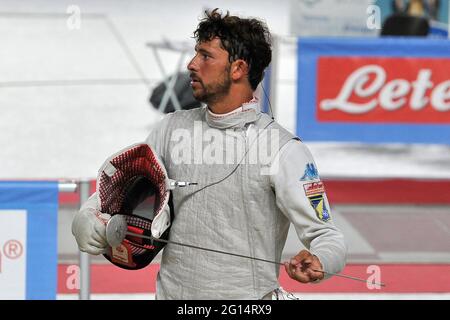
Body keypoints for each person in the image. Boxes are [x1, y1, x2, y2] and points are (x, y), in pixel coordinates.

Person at [72, 8, 347, 299]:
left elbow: (327, 236)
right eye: (195, 53)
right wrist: (90, 215)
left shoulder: (282, 149)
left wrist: (321, 260)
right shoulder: (170, 129)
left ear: (238, 69)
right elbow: (122, 190)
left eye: (205, 56)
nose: (191, 64)